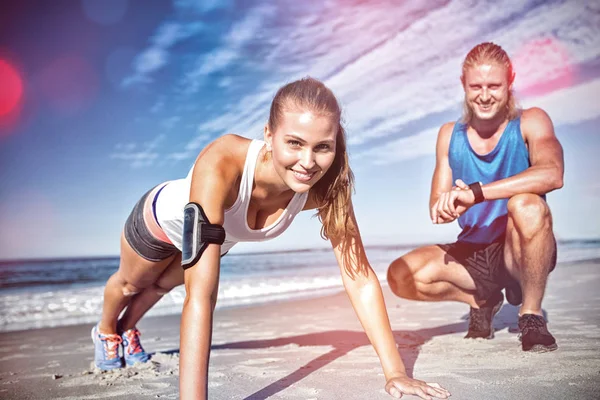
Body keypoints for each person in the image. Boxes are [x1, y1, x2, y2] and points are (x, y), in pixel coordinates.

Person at [92, 77, 450, 400]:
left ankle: (129, 329)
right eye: (294, 143)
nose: (307, 162)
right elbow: (201, 297)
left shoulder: (327, 188)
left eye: (322, 147)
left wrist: (395, 372)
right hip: (158, 219)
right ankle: (107, 332)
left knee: (159, 288)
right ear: (268, 134)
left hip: (217, 236)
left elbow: (359, 277)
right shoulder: (222, 162)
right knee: (130, 285)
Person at [387, 42, 564, 353]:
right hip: (474, 253)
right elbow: (437, 204)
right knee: (400, 275)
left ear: (510, 82)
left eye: (494, 85)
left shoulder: (531, 120)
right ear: (463, 85)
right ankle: (482, 299)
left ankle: (531, 316)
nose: (484, 95)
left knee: (526, 205)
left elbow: (552, 174)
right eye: (476, 86)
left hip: (520, 246)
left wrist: (477, 192)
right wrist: (446, 206)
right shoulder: (448, 134)